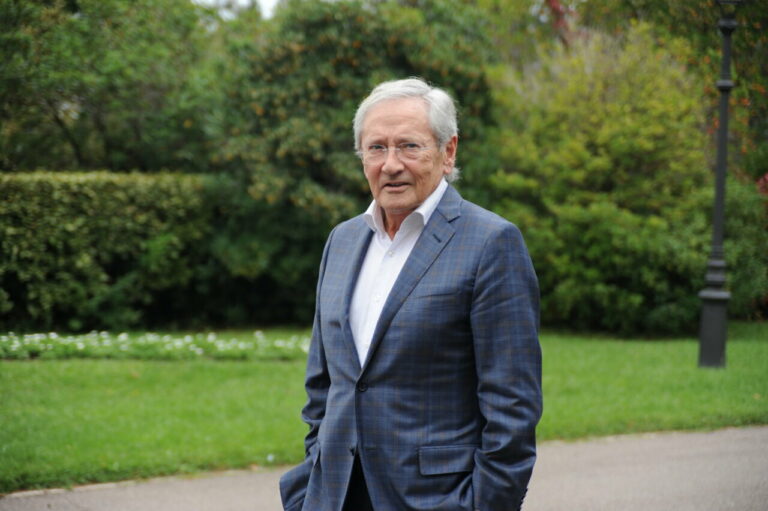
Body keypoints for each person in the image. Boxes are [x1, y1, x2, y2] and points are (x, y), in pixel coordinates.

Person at [279, 78, 542, 511]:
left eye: (409, 146)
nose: (391, 164)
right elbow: (323, 386)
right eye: (376, 148)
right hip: (333, 496)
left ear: (448, 151)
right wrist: (309, 482)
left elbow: (512, 407)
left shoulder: (491, 243)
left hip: (435, 499)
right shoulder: (342, 242)